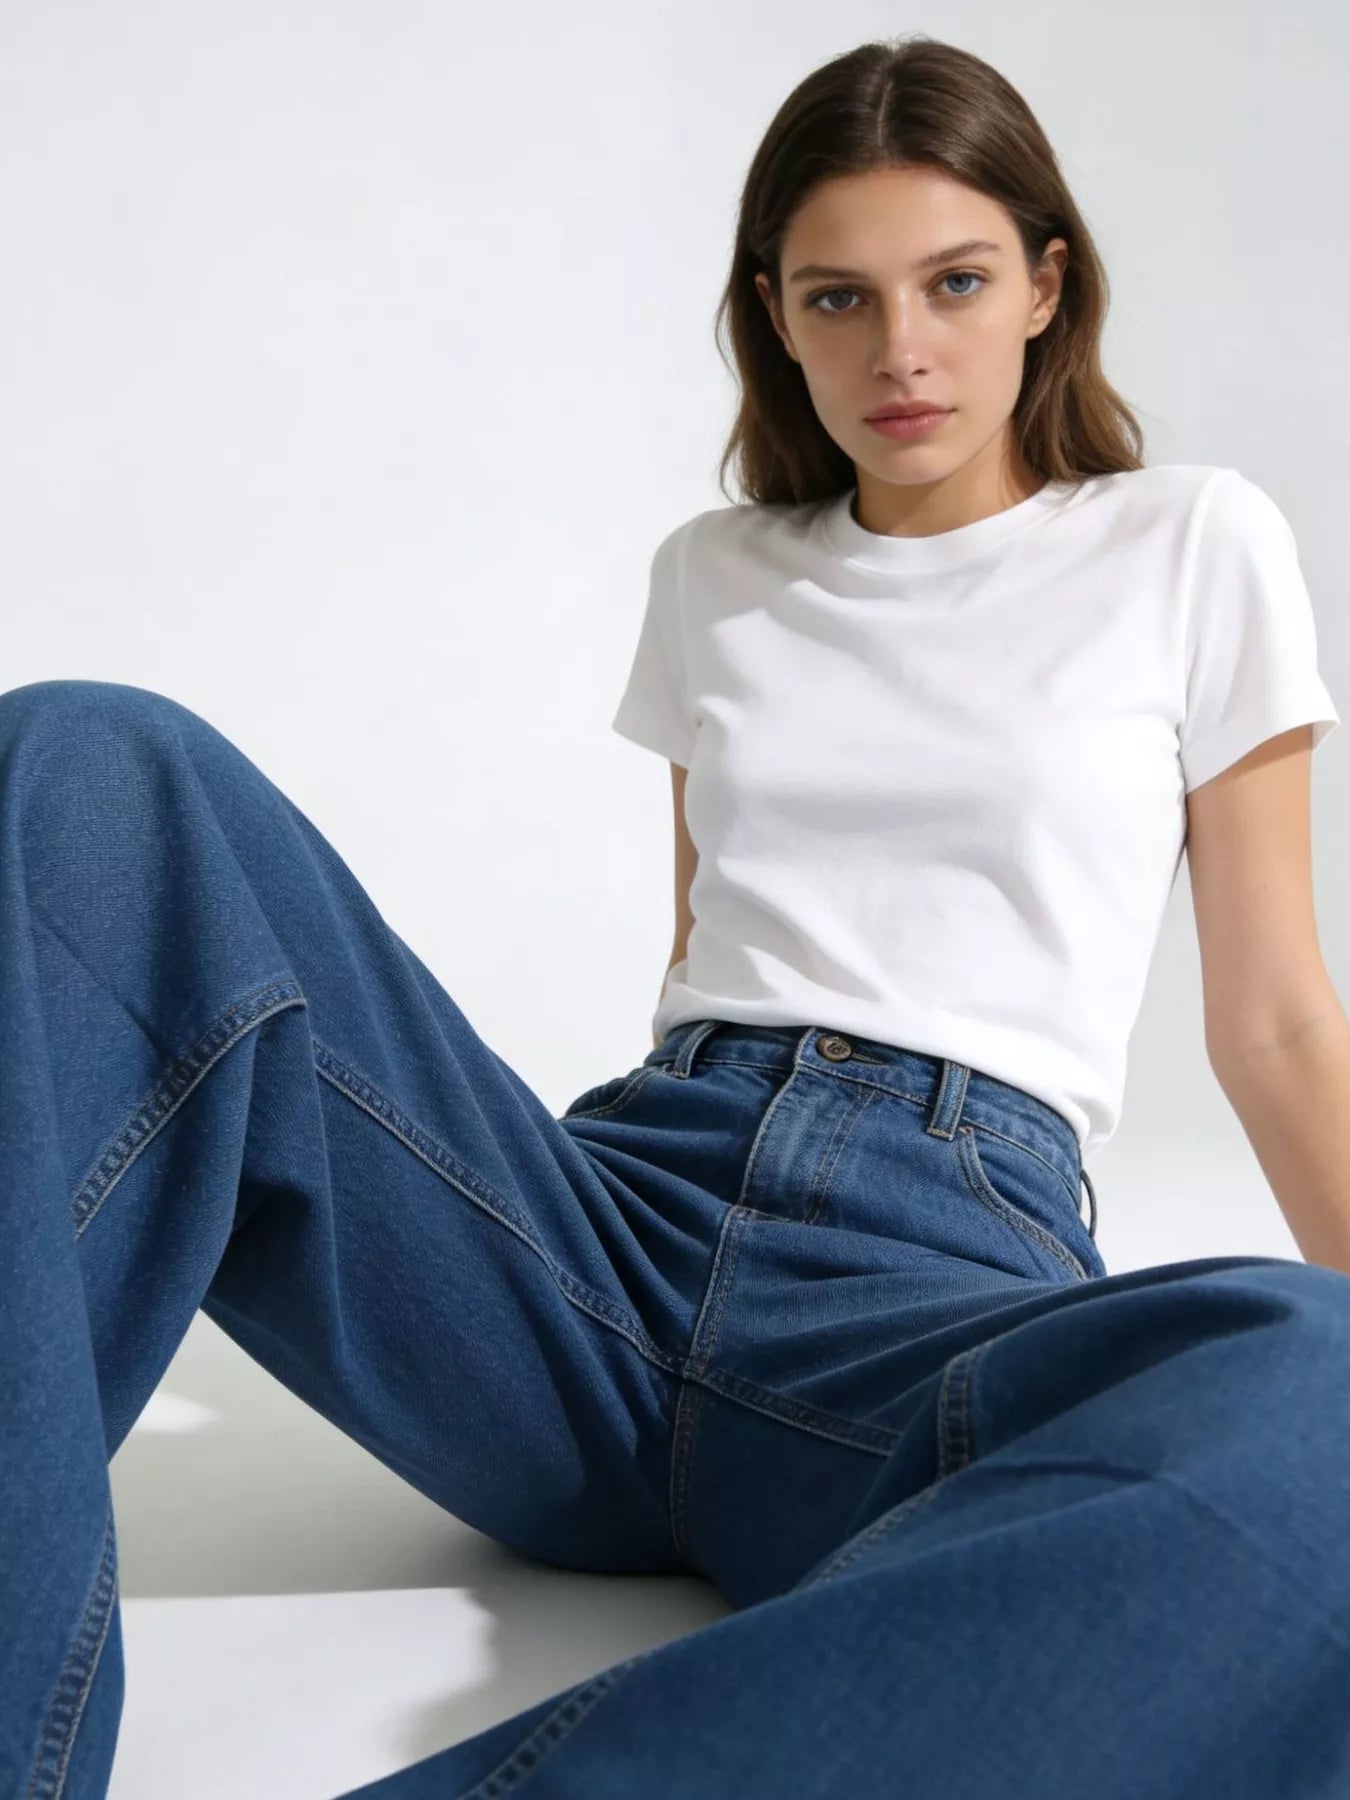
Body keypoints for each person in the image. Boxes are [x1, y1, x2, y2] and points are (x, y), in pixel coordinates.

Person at [3, 33, 1348, 1800]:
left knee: (1317, 1393)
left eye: (952, 282)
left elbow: (1274, 1023)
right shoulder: (713, 575)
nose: (900, 348)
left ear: (1045, 284)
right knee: (89, 767)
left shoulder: (1188, 543)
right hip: (601, 1248)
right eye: (837, 298)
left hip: (920, 1301)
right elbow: (705, 950)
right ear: (774, 317)